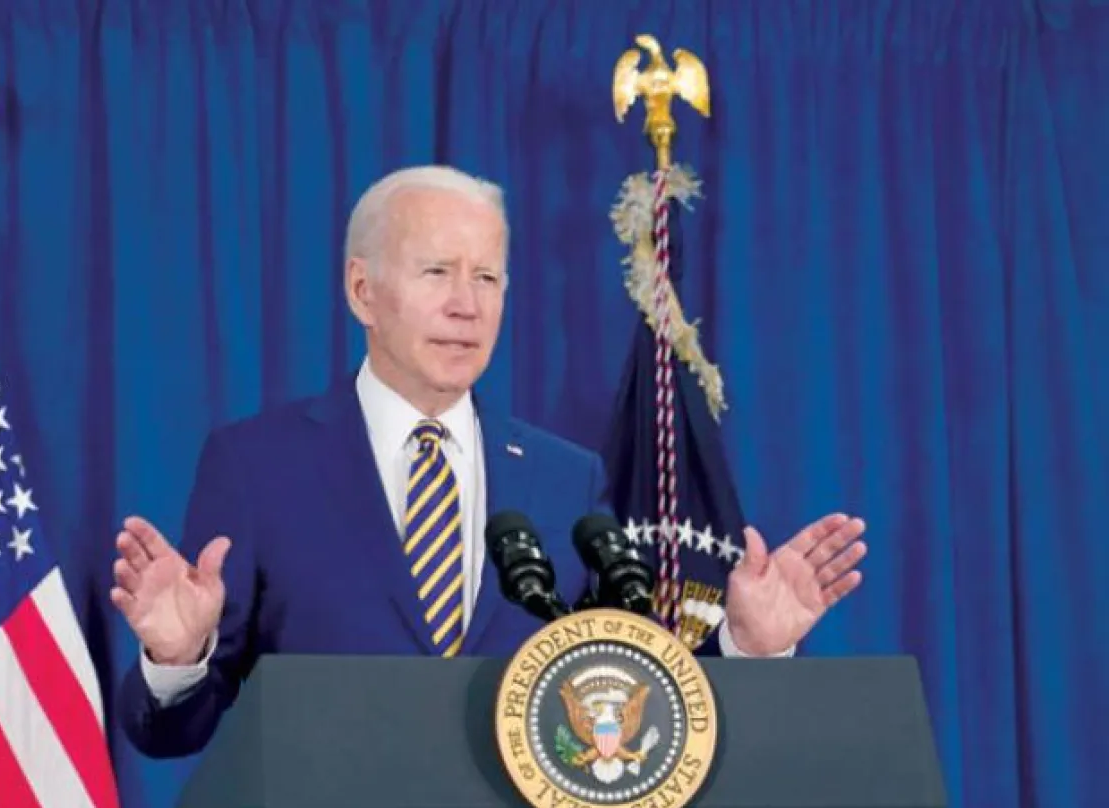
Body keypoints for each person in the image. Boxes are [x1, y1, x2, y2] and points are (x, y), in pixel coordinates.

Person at [109, 165, 866, 759]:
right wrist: (177, 658)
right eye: (437, 272)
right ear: (363, 290)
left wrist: (743, 649)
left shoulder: (564, 477)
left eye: (488, 278)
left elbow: (629, 699)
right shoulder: (256, 465)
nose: (466, 305)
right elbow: (174, 736)